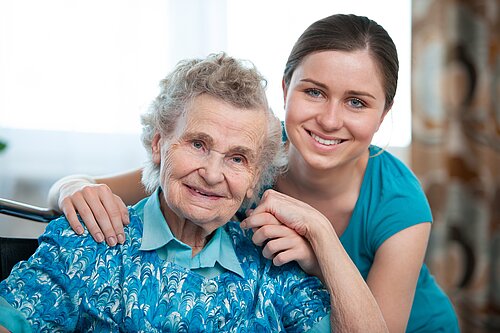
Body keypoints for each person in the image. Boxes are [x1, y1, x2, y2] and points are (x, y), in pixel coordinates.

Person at [47, 14, 459, 332]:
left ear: (383, 114)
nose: (330, 120)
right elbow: (122, 181)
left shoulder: (399, 201)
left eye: (356, 102)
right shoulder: (244, 150)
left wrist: (320, 240)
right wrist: (70, 187)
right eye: (313, 92)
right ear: (285, 90)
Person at [0, 53, 336, 332]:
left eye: (237, 158)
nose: (212, 174)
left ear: (254, 177)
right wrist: (70, 186)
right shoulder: (90, 241)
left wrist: (322, 235)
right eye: (198, 144)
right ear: (159, 144)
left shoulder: (272, 265)